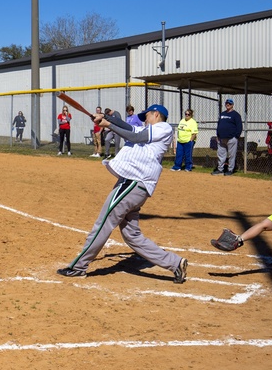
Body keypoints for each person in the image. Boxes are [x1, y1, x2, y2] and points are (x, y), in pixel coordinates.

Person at [57, 104, 188, 284]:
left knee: (103, 223)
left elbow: (134, 135)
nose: (145, 119)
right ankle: (175, 263)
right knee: (131, 235)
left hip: (133, 183)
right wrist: (105, 117)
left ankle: (78, 267)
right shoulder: (149, 129)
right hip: (136, 185)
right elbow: (128, 128)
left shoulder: (162, 128)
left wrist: (107, 125)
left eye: (147, 116)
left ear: (156, 114)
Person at [213, 98, 243, 175]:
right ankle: (220, 169)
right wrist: (218, 135)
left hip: (231, 138)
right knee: (221, 154)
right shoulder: (222, 114)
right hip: (221, 138)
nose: (228, 105)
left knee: (231, 155)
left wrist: (236, 136)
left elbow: (239, 127)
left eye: (229, 103)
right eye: (227, 103)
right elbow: (219, 125)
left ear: (232, 105)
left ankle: (230, 170)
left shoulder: (236, 115)